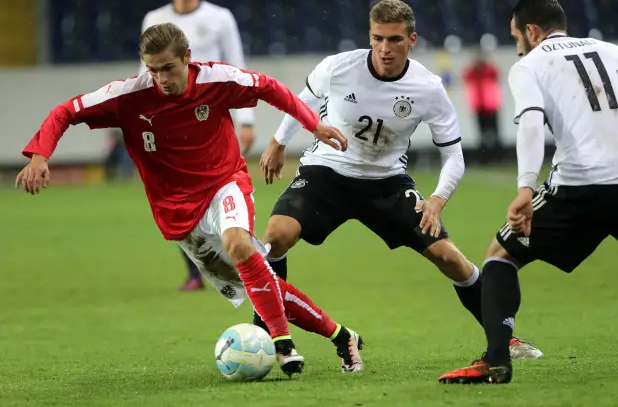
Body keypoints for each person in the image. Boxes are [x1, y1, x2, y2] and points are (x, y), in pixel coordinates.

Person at [15, 22, 365, 377]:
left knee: (239, 243)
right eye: (153, 70)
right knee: (262, 286)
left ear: (187, 58)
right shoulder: (128, 96)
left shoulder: (217, 80)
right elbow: (65, 111)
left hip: (224, 185)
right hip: (178, 213)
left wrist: (312, 125)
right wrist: (40, 156)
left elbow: (270, 88)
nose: (162, 78)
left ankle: (282, 343)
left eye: (168, 68)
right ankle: (342, 336)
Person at [255, 0, 543, 361]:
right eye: (378, 38)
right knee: (275, 237)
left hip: (387, 183)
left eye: (394, 40)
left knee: (450, 258)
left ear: (412, 40)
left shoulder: (427, 87)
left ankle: (505, 339)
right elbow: (301, 101)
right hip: (327, 172)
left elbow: (453, 155)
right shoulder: (338, 67)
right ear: (370, 36)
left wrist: (437, 199)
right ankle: (266, 334)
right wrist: (278, 143)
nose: (384, 49)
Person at [438, 0, 618, 385]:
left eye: (516, 38)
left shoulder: (531, 65)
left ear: (532, 31)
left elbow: (532, 122)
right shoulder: (614, 52)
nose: (517, 47)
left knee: (500, 255)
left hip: (581, 184)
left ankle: (497, 359)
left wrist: (525, 187)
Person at [141, 0, 255, 291]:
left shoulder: (219, 18)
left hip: (211, 122)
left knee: (218, 189)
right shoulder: (154, 18)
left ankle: (237, 255)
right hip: (169, 125)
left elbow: (238, 68)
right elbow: (144, 72)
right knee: (177, 199)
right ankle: (198, 272)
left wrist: (246, 120)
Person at [462, 49, 503, 164]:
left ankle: (497, 157)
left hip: (491, 106)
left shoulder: (489, 70)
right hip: (479, 107)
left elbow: (496, 73)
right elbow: (465, 75)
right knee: (482, 134)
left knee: (495, 133)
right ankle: (485, 158)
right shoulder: (473, 72)